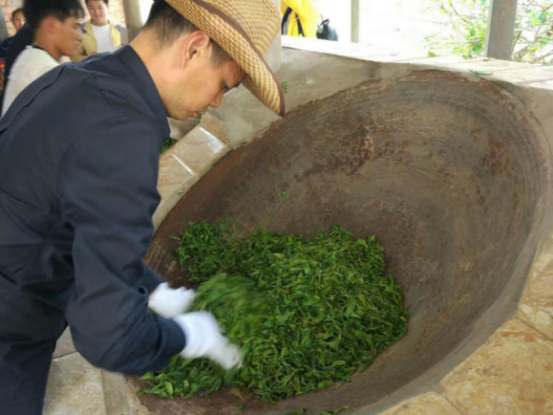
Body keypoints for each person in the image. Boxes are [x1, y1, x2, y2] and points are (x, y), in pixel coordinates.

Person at [0, 0, 284, 413]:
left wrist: (156, 290)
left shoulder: (71, 78)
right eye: (224, 84)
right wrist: (187, 338)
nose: (218, 102)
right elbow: (110, 337)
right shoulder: (122, 132)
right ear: (195, 48)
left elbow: (69, 219)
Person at [2, 0, 84, 116]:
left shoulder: (33, 57)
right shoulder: (44, 73)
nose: (81, 36)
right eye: (75, 26)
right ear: (52, 25)